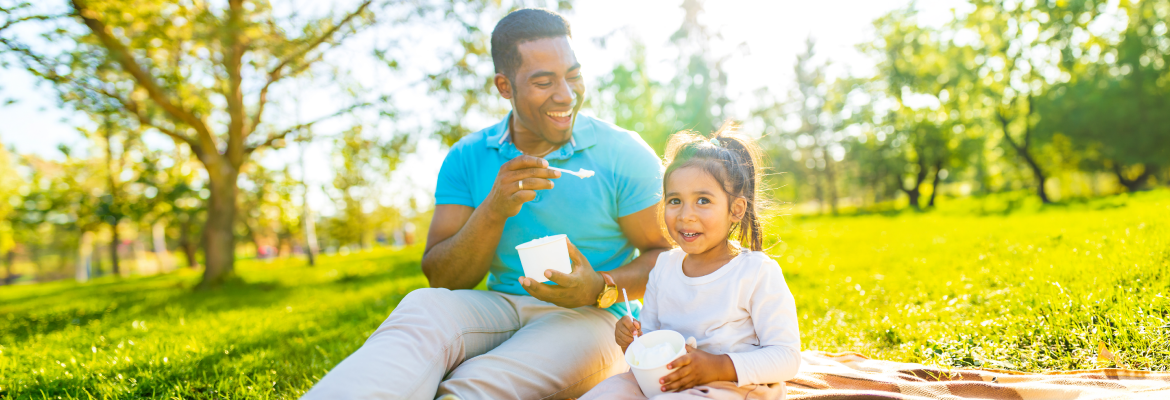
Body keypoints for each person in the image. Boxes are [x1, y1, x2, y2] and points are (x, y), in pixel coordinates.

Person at [302, 8, 672, 400]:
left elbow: (665, 257)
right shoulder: (468, 156)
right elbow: (443, 278)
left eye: (574, 76)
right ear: (504, 86)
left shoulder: (622, 152)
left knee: (479, 385)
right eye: (544, 82)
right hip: (499, 305)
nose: (566, 95)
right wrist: (493, 208)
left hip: (594, 316)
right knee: (422, 308)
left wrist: (599, 286)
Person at [580, 123, 802, 400]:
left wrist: (717, 366)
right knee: (609, 390)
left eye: (703, 201)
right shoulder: (664, 267)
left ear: (735, 209)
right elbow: (651, 339)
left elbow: (787, 357)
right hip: (664, 383)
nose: (686, 215)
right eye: (675, 201)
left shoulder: (756, 272)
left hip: (731, 387)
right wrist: (633, 341)